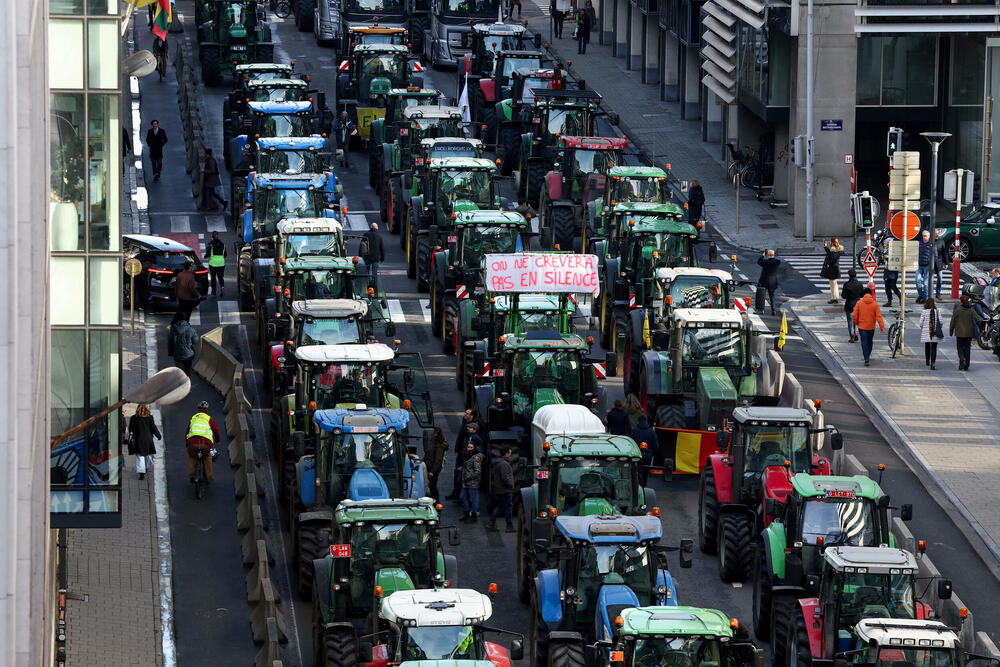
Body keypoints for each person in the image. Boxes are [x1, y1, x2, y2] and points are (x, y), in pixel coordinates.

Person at [447, 410, 477, 500]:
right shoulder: (465, 423)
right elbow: (460, 438)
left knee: (461, 476)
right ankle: (456, 492)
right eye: (465, 413)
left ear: (472, 416)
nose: (465, 414)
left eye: (468, 413)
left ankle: (461, 495)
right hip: (461, 453)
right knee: (457, 474)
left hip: (465, 455)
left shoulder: (472, 427)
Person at [186, 401, 219, 483]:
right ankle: (209, 476)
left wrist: (187, 442)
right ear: (207, 410)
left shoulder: (193, 418)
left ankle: (193, 475)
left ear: (198, 409)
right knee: (207, 456)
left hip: (192, 442)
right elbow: (216, 430)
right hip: (205, 443)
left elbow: (187, 431)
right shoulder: (209, 419)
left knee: (192, 456)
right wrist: (217, 440)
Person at [126, 403, 161, 480]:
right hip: (148, 440)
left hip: (138, 440)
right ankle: (146, 466)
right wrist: (158, 435)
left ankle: (141, 473)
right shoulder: (149, 417)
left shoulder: (133, 418)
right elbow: (153, 428)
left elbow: (131, 430)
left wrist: (128, 439)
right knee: (146, 454)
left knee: (140, 456)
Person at [852, 287, 885, 366]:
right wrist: (881, 326)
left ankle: (866, 357)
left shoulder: (859, 303)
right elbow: (879, 316)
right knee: (870, 341)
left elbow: (854, 315)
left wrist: (857, 322)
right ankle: (868, 354)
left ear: (863, 294)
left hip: (862, 327)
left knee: (864, 342)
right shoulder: (875, 304)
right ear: (871, 294)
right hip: (871, 327)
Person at [487, 446, 515, 532]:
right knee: (508, 507)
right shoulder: (504, 464)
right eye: (510, 453)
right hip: (505, 490)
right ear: (506, 453)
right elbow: (505, 478)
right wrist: (511, 485)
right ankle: (509, 526)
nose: (510, 455)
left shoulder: (498, 462)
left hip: (500, 489)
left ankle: (492, 523)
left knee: (501, 506)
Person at [949, 294, 979, 371]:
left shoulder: (957, 310)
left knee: (959, 347)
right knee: (967, 348)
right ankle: (966, 365)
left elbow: (952, 322)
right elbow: (977, 319)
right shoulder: (971, 310)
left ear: (961, 302)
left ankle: (962, 359)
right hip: (969, 333)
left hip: (959, 333)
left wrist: (951, 331)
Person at [629, 415, 658, 485]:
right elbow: (656, 446)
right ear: (646, 421)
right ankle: (644, 485)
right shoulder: (652, 432)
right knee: (646, 473)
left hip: (637, 456)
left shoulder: (634, 431)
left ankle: (638, 485)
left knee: (636, 472)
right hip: (648, 456)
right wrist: (652, 454)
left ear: (638, 421)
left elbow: (630, 444)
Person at [459, 440, 483, 523]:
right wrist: (463, 468)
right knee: (462, 497)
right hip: (466, 481)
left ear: (474, 448)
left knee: (473, 499)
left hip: (472, 482)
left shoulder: (475, 458)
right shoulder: (466, 455)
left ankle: (473, 517)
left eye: (471, 447)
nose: (469, 449)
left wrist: (468, 476)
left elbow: (477, 471)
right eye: (468, 447)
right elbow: (469, 467)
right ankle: (466, 514)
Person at [424, 427, 449, 501]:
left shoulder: (439, 446)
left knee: (433, 486)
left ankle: (436, 502)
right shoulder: (435, 444)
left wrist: (432, 471)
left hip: (433, 469)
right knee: (432, 486)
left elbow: (438, 460)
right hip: (431, 468)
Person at [919, 297, 943, 370]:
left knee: (927, 346)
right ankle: (933, 363)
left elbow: (920, 323)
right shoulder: (937, 311)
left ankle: (927, 360)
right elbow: (941, 322)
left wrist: (923, 328)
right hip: (935, 332)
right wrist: (939, 327)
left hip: (927, 331)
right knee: (934, 347)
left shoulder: (924, 311)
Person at [842, 269, 865, 343]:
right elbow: (862, 295)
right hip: (858, 304)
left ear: (849, 275)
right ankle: (856, 331)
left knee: (850, 321)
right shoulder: (859, 284)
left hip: (849, 304)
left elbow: (843, 296)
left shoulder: (846, 284)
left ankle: (852, 337)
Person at [757, 249, 781, 316]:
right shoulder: (777, 262)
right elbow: (776, 261)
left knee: (762, 296)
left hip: (764, 281)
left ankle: (761, 310)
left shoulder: (765, 262)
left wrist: (762, 255)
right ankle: (773, 310)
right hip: (772, 282)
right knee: (772, 296)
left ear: (767, 255)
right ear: (774, 255)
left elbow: (759, 261)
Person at [821, 238, 844, 304]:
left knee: (832, 285)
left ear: (832, 243)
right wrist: (825, 247)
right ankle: (835, 297)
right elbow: (830, 253)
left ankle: (834, 298)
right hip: (835, 269)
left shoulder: (834, 250)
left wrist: (828, 263)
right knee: (834, 284)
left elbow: (833, 259)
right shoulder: (837, 249)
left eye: (831, 242)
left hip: (833, 270)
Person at [205, 231, 227, 296]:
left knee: (213, 277)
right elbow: (225, 254)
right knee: (220, 277)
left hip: (213, 264)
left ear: (212, 237)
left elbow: (208, 253)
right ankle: (222, 286)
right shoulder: (223, 244)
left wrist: (205, 256)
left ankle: (214, 291)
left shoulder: (210, 244)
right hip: (221, 263)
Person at [916, 230, 932, 303]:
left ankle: (925, 298)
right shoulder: (919, 243)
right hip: (919, 265)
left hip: (927, 266)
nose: (924, 237)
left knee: (926, 283)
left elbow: (935, 255)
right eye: (923, 236)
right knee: (917, 281)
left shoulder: (931, 244)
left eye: (926, 236)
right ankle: (921, 295)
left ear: (929, 236)